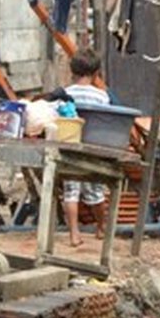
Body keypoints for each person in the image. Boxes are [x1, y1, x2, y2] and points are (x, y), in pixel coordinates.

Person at [62, 48, 111, 247]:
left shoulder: (65, 93)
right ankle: (101, 227)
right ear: (95, 72)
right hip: (92, 150)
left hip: (70, 147)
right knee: (96, 193)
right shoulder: (101, 96)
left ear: (72, 71)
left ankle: (74, 234)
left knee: (71, 192)